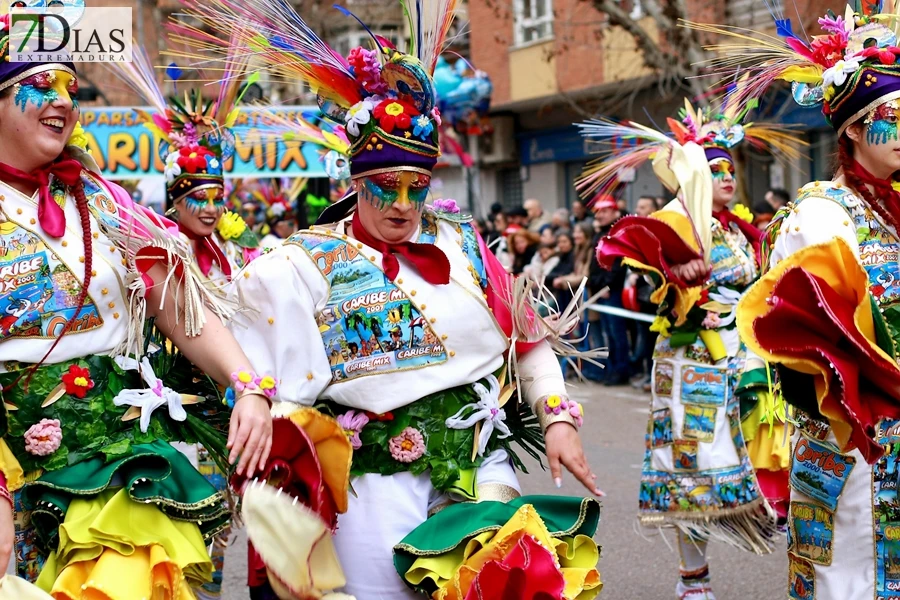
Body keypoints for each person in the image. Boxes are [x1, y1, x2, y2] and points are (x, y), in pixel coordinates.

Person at [187, 2, 604, 598]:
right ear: (355, 182)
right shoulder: (298, 265)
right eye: (387, 187)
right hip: (372, 483)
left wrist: (558, 419)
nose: (404, 204)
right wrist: (254, 401)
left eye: (418, 187)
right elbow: (249, 364)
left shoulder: (461, 243)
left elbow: (528, 337)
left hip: (480, 464)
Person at [0, 21, 273, 598]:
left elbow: (176, 301)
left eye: (71, 88)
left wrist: (248, 386)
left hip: (121, 460)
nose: (63, 103)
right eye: (42, 84)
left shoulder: (98, 199)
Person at [715, 5, 900, 598]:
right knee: (850, 577)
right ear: (851, 127)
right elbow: (815, 349)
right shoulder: (822, 215)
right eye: (893, 118)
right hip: (852, 447)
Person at [583, 100, 803, 599]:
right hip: (691, 365)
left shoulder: (744, 231)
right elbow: (634, 263)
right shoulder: (676, 222)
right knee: (693, 473)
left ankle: (780, 529)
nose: (726, 177)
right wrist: (672, 278)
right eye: (714, 169)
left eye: (731, 168)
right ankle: (693, 582)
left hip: (750, 364)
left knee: (768, 456)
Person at [588, 194, 630, 386]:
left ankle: (621, 370)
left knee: (616, 333)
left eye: (605, 211)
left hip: (611, 291)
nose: (600, 215)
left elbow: (617, 265)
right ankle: (612, 369)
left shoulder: (618, 233)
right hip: (600, 290)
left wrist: (606, 286)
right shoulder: (601, 233)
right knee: (608, 333)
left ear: (615, 212)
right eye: (598, 211)